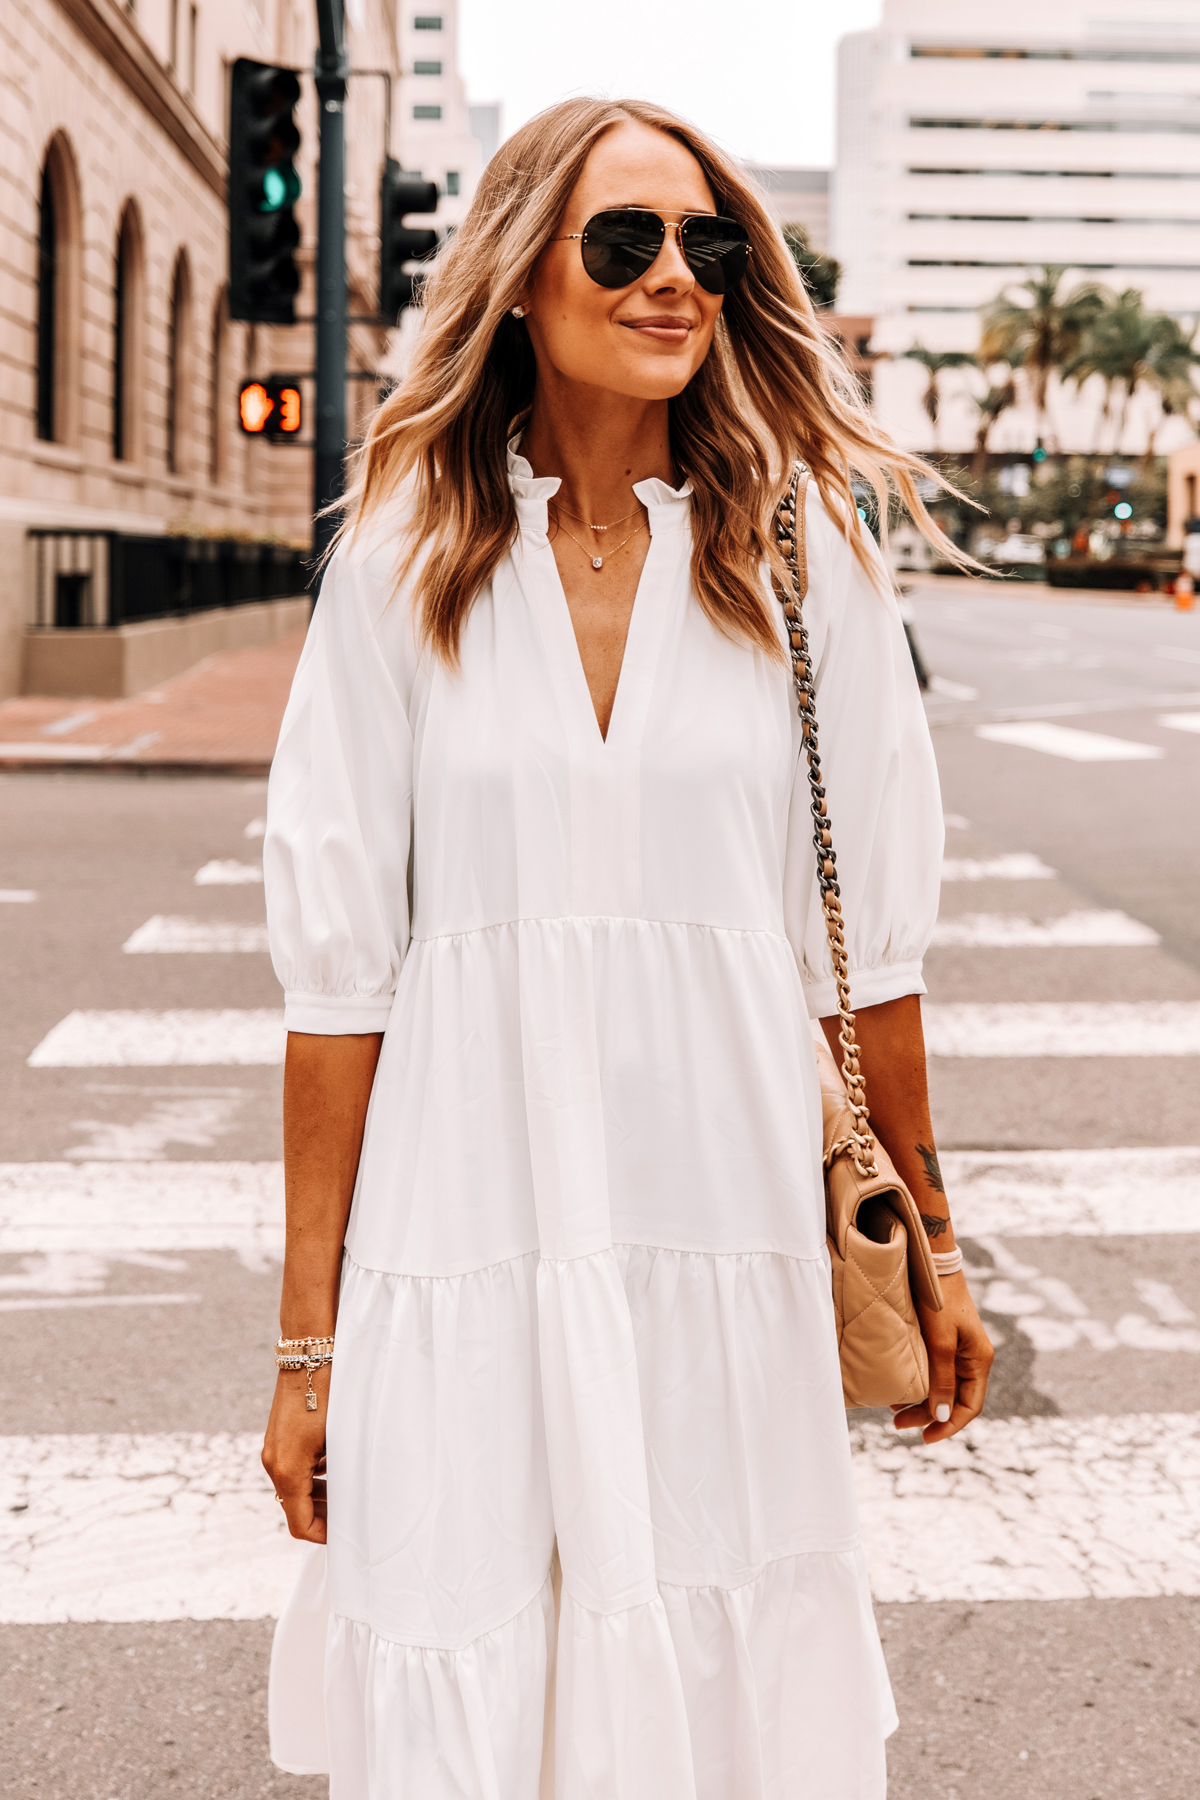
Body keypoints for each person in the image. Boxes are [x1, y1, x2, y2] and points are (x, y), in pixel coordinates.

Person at [261, 96, 993, 1799]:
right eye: (627, 241)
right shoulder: (403, 562)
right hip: (469, 1219)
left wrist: (936, 1241)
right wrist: (308, 1348)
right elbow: (337, 987)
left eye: (710, 248)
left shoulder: (802, 561)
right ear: (522, 275)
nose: (676, 279)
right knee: (473, 1641)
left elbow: (869, 956)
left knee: (711, 1649)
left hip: (721, 1214)